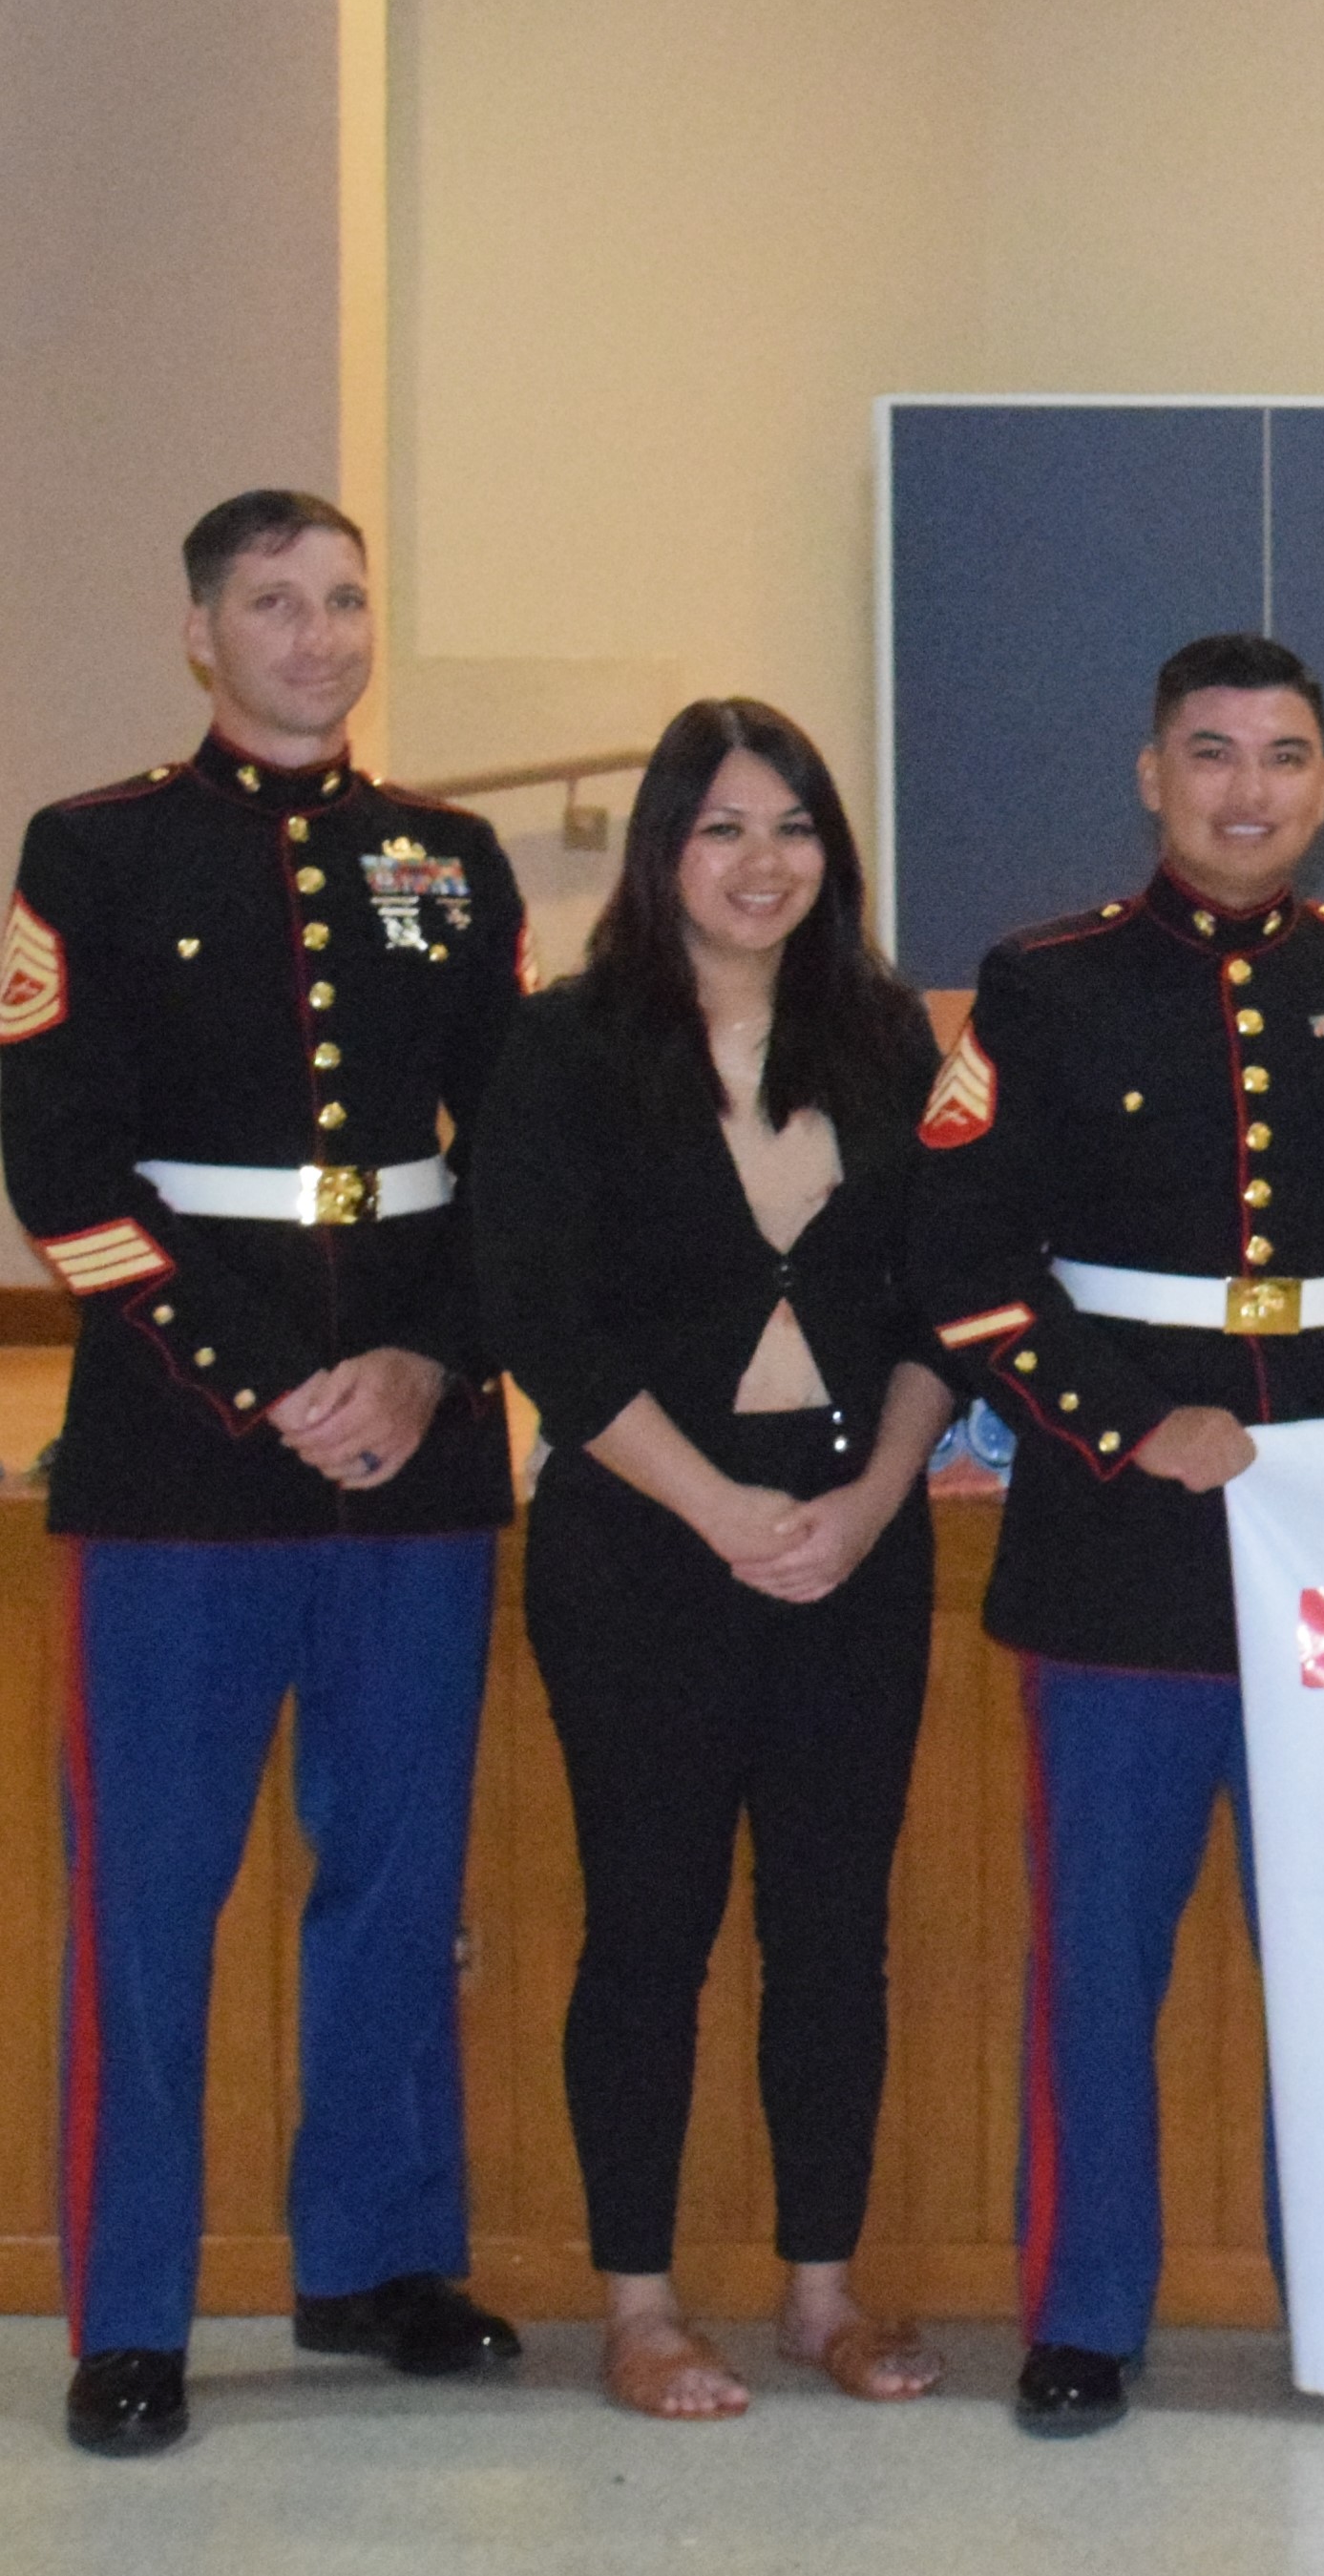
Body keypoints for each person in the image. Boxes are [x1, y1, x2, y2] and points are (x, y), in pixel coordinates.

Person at [910, 632, 1324, 2438]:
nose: (1248, 790)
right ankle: (1087, 2312)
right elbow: (963, 1261)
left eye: (1283, 756)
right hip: (1121, 1544)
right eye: (1212, 752)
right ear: (1151, 775)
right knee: (1100, 1961)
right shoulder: (1045, 984)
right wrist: (1118, 1422)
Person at [1, 491, 528, 2457]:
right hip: (181, 1454)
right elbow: (63, 1172)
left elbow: (515, 1158)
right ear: (200, 634)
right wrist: (269, 1383)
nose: (319, 634)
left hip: (416, 1444)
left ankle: (373, 2260)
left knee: (398, 1878)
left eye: (347, 599)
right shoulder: (95, 850)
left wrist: (425, 1362)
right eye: (276, 602)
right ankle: (132, 2311)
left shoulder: (450, 861)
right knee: (150, 1898)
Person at [469, 700, 951, 2419]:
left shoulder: (889, 1042)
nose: (763, 862)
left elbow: (946, 1301)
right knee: (647, 1930)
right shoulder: (565, 1046)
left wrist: (873, 1497)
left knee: (832, 1934)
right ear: (663, 850)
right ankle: (640, 2304)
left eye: (794, 826)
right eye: (724, 827)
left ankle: (822, 2292)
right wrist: (715, 1509)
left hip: (854, 1540)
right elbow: (539, 1314)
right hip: (642, 1550)